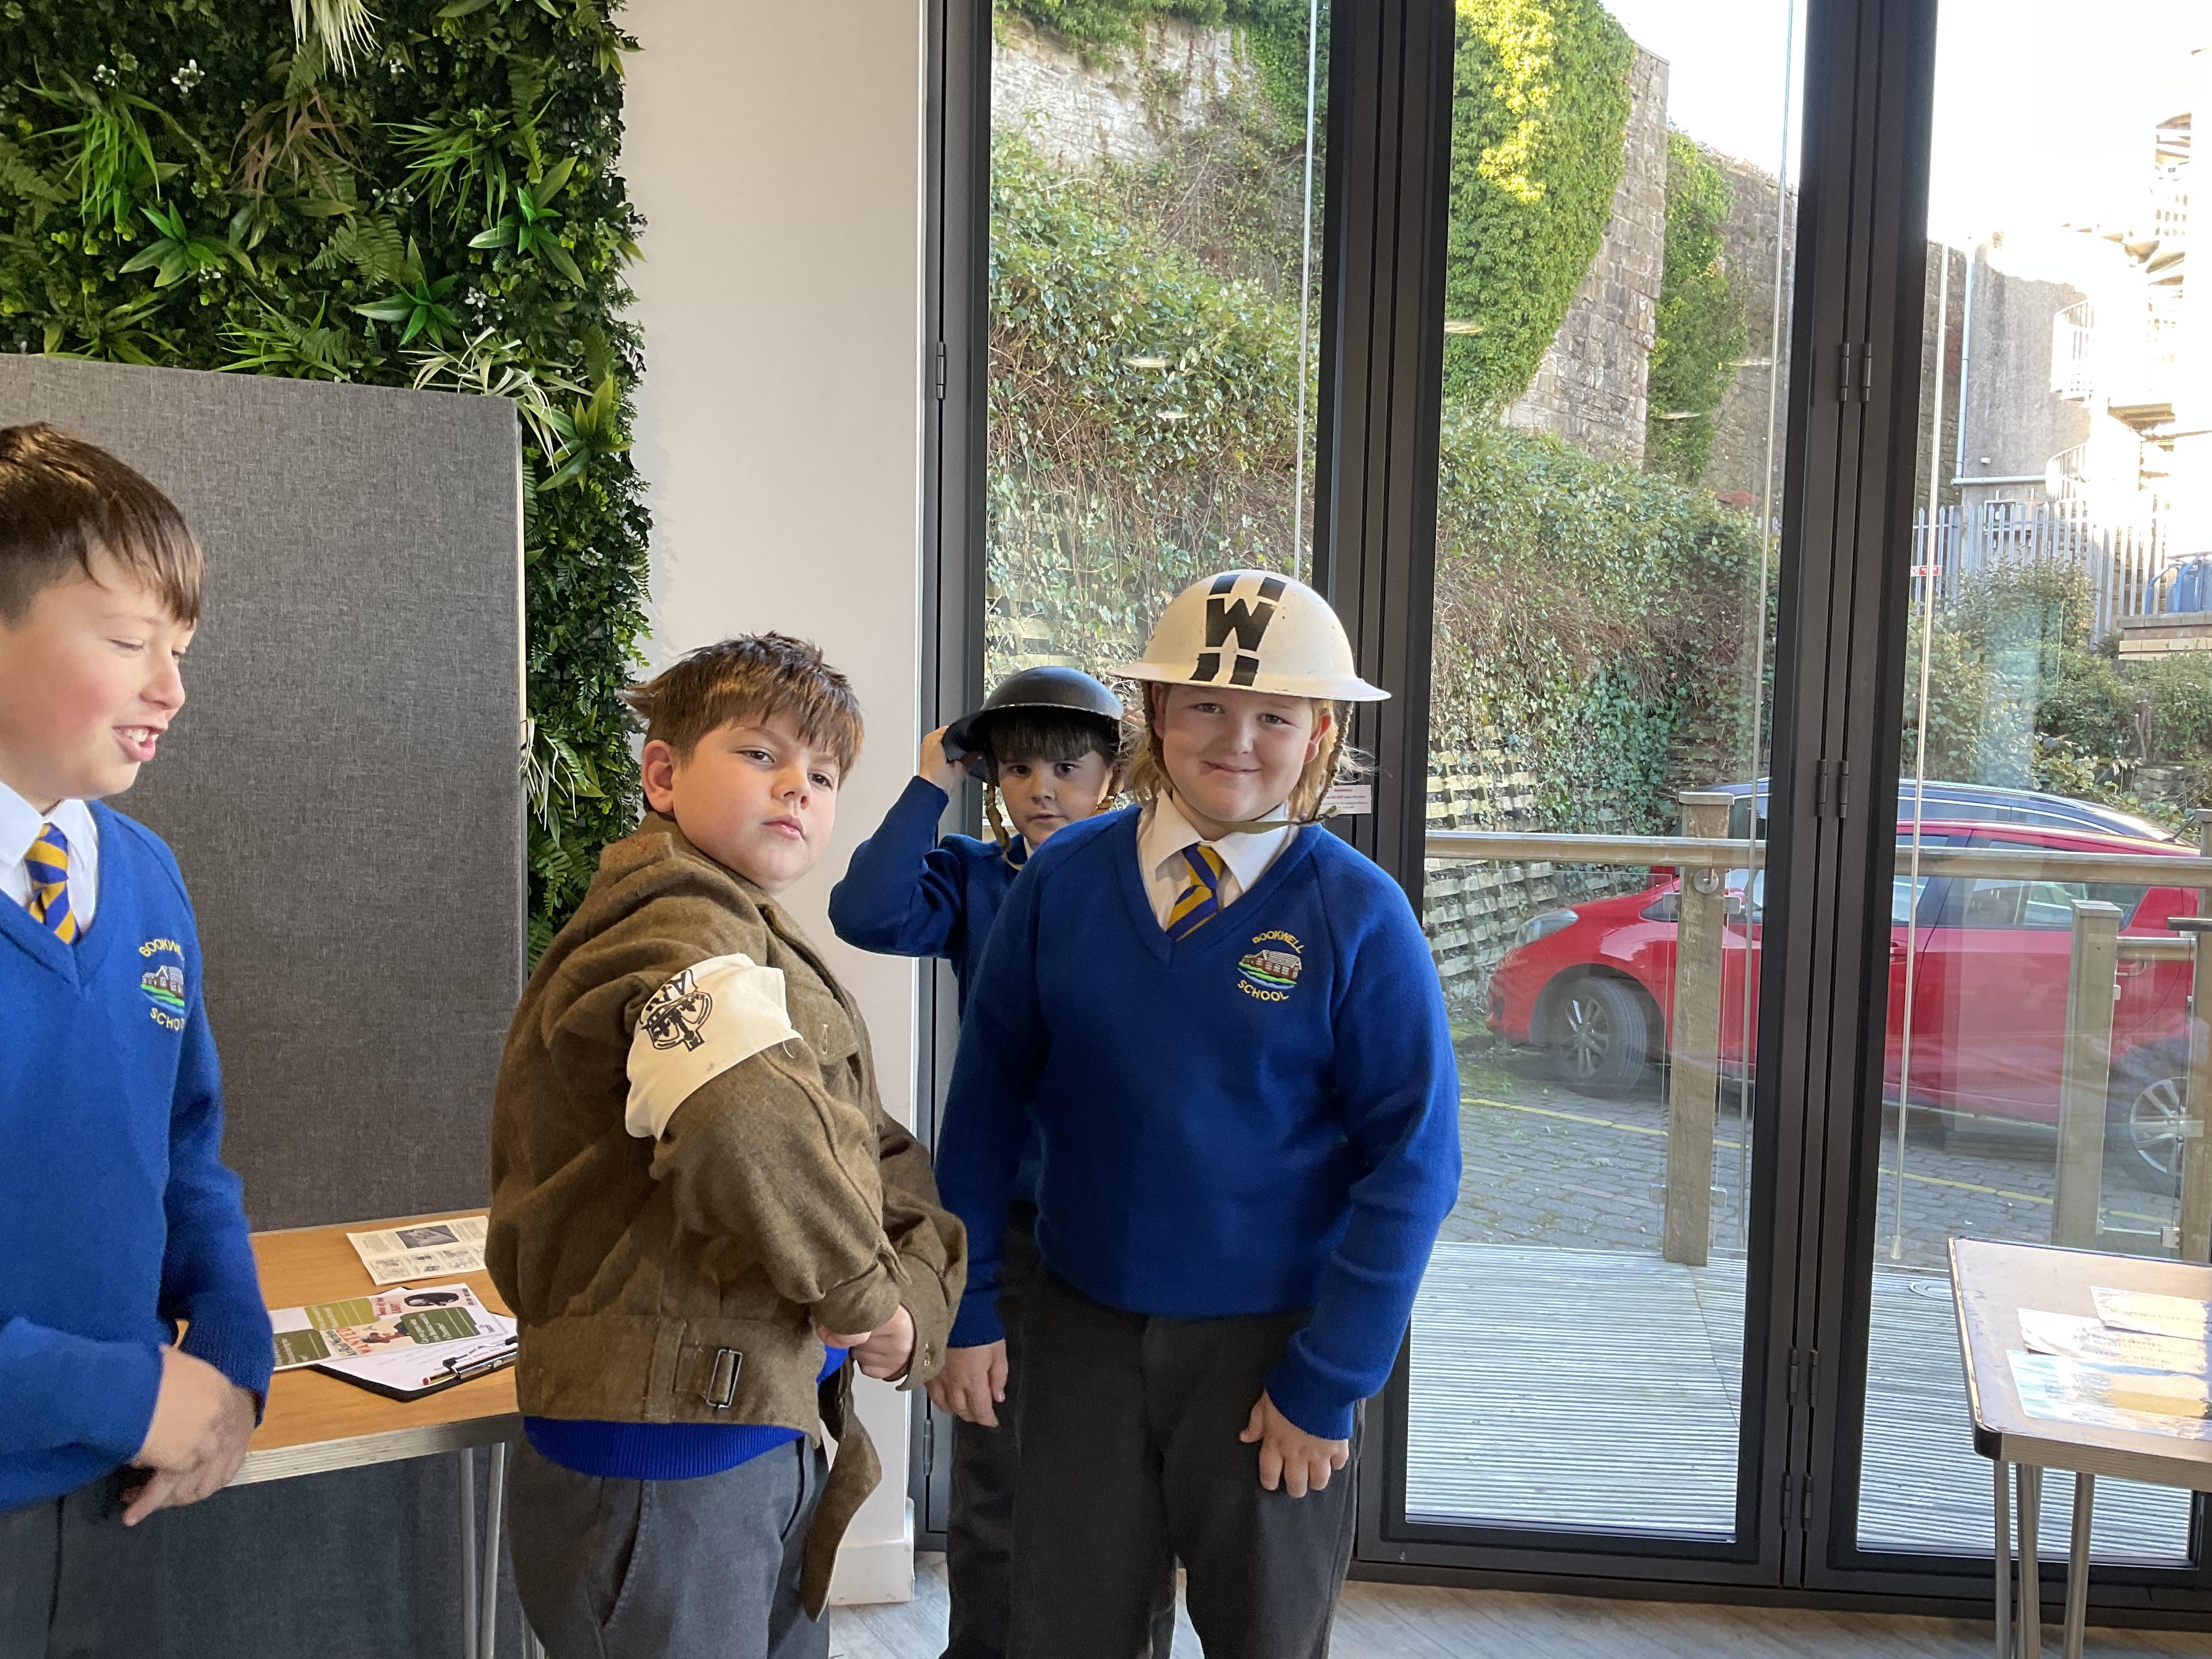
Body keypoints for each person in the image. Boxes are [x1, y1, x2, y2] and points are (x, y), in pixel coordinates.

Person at [934, 570, 1463, 1659]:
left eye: (1276, 716)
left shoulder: (1359, 914)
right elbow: (984, 1105)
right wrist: (967, 1304)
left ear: (1320, 735)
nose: (1238, 741)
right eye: (1208, 706)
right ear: (1156, 713)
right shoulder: (1062, 880)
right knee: (1063, 1634)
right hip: (1080, 1333)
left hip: (1272, 1355)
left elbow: (1415, 1164)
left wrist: (1328, 1383)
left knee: (1264, 1637)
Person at [488, 634, 967, 1659]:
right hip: (664, 1460)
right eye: (760, 754)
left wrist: (912, 1306)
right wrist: (866, 1295)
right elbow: (744, 1115)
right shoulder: (670, 926)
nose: (798, 787)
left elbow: (871, 1148)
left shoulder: (748, 935)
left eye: (824, 775)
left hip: (752, 1427)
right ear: (663, 775)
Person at [830, 667, 1174, 1659]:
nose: (1041, 790)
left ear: (1115, 773)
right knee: (998, 1482)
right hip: (1005, 1234)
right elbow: (867, 911)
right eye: (1018, 770)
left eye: (1068, 768)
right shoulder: (977, 879)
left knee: (1127, 1495)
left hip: (1123, 1233)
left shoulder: (1155, 882)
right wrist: (932, 779)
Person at [0, 424, 273, 1656]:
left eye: (182, 650)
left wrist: (233, 1353)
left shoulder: (147, 876)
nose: (171, 689)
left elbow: (184, 1152)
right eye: (126, 643)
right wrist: (128, 1389)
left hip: (119, 1492)